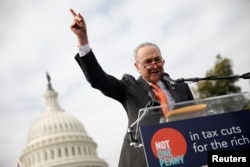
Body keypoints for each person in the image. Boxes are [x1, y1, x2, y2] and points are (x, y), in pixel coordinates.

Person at [70, 9, 194, 167]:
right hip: (146, 159)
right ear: (137, 67)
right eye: (148, 62)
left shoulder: (181, 87)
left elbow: (196, 121)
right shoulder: (129, 88)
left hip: (184, 156)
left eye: (158, 59)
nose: (154, 65)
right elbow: (98, 79)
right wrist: (82, 39)